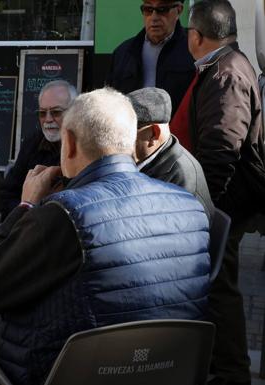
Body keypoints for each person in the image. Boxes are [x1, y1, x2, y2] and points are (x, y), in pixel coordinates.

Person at [0, 88, 211, 385]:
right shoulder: (191, 206)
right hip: (165, 370)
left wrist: (27, 205)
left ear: (68, 143)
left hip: (64, 372)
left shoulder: (65, 214)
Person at [181, 1, 265, 383]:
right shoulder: (228, 65)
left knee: (220, 287)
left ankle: (231, 372)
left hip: (223, 205)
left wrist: (204, 209)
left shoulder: (226, 73)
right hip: (224, 202)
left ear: (195, 36)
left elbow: (221, 149)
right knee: (216, 285)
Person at [127, 87, 214, 217]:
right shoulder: (146, 157)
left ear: (154, 134)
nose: (117, 140)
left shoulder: (183, 184)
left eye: (125, 133)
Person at [0, 80, 77, 218]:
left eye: (56, 112)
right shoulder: (32, 143)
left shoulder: (84, 146)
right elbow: (8, 193)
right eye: (42, 113)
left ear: (74, 112)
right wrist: (26, 213)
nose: (48, 119)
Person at [107, 0, 193, 116]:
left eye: (162, 10)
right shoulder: (123, 53)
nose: (154, 17)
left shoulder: (193, 49)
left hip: (175, 131)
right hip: (132, 130)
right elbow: (109, 102)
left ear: (178, 10)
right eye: (148, 9)